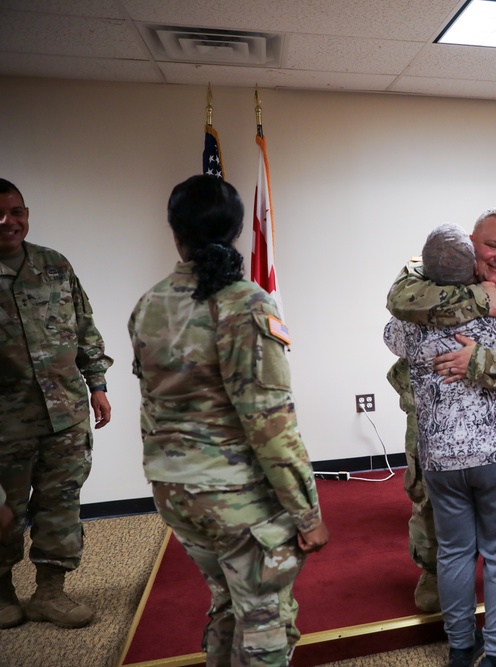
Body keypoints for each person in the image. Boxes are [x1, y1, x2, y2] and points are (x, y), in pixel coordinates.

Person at [128, 175, 329, 667]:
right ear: (238, 231)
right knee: (264, 616)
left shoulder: (149, 304)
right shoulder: (248, 304)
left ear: (175, 232)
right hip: (235, 498)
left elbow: (151, 403)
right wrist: (308, 513)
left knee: (226, 601)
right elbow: (269, 422)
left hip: (174, 490)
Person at [385, 211, 496, 667]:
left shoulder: (418, 307)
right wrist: (480, 297)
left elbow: (392, 331)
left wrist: (477, 359)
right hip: (494, 452)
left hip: (444, 455)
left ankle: (461, 649)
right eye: (492, 247)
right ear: (469, 243)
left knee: (457, 551)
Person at [0, 178, 113, 630]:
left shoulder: (53, 265)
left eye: (17, 212)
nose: (9, 222)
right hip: (6, 424)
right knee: (6, 511)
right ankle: (2, 591)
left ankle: (50, 592)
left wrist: (98, 384)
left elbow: (84, 326)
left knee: (61, 504)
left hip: (65, 414)